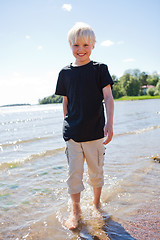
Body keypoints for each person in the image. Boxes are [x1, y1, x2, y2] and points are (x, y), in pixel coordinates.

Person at [55, 22, 114, 230]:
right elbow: (66, 101)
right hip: (73, 134)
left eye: (86, 45)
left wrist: (109, 124)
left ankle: (96, 204)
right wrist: (67, 123)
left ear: (93, 46)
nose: (81, 50)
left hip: (95, 133)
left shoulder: (100, 69)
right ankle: (76, 210)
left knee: (96, 173)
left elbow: (108, 97)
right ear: (70, 46)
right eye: (76, 45)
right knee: (74, 175)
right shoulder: (65, 73)